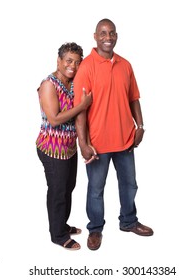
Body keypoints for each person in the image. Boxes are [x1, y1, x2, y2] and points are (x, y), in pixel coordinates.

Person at [73, 19, 153, 251]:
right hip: (97, 143)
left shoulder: (125, 65)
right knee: (95, 189)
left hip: (125, 139)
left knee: (129, 185)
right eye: (103, 33)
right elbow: (80, 110)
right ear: (95, 36)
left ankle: (128, 221)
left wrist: (140, 126)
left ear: (116, 36)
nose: (108, 37)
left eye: (112, 33)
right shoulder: (86, 67)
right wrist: (83, 143)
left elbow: (133, 98)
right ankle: (95, 228)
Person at [36, 42, 92, 250]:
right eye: (69, 61)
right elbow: (55, 119)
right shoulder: (49, 84)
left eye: (78, 62)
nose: (73, 66)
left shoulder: (72, 83)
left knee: (68, 188)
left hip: (68, 148)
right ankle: (58, 235)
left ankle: (62, 225)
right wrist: (82, 105)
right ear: (58, 61)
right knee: (58, 191)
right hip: (51, 148)